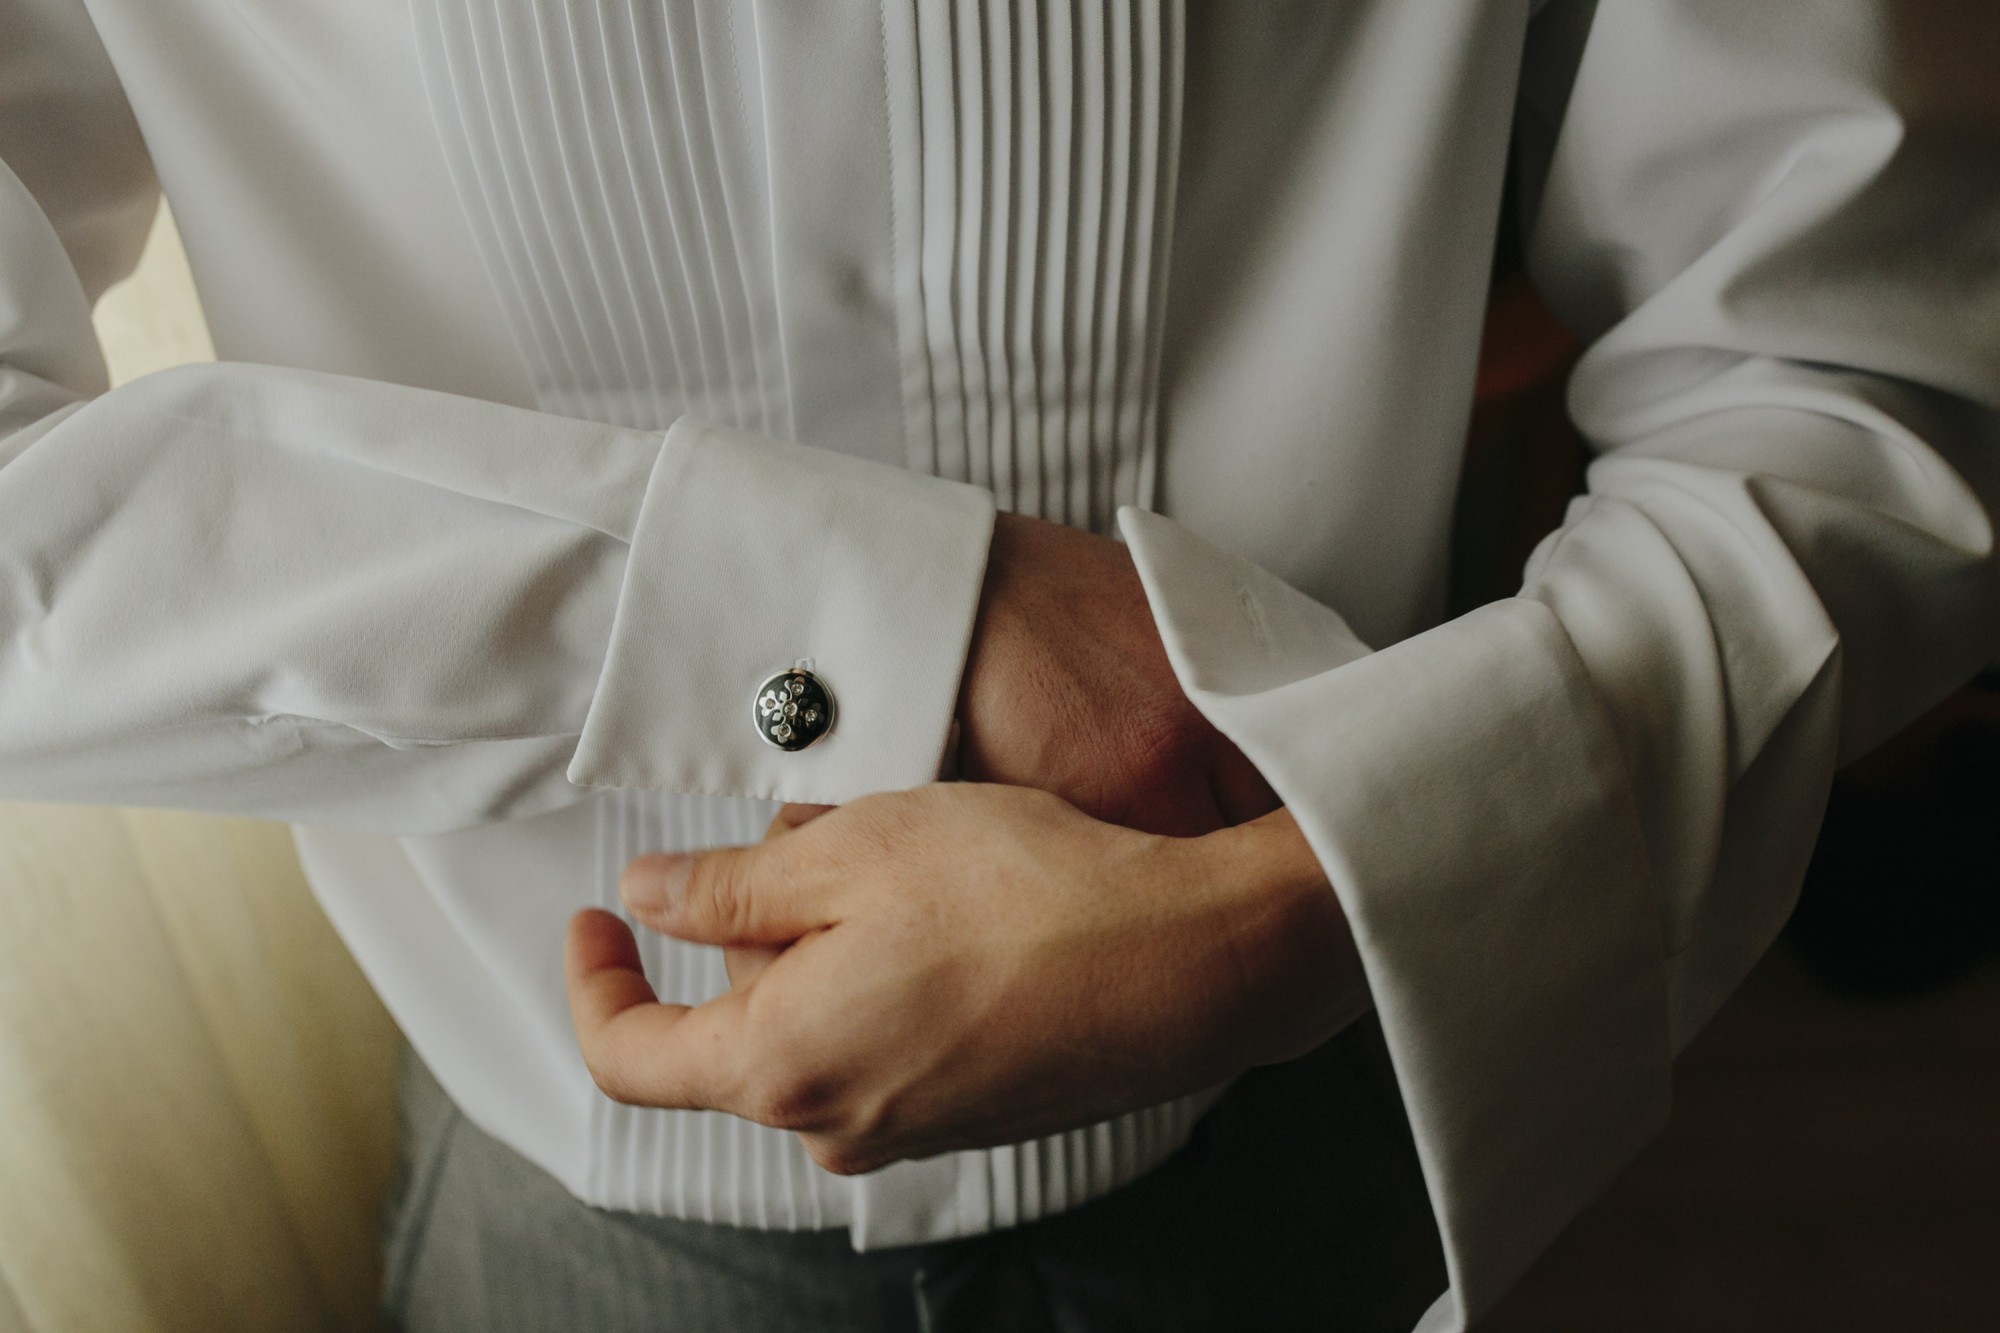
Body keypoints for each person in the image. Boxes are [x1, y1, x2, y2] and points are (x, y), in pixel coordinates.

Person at [2, 1, 1994, 1328]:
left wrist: (1323, 900)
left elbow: (1863, 360)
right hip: (575, 1228)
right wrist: (904, 632)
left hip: (1335, 1114)